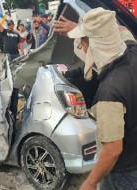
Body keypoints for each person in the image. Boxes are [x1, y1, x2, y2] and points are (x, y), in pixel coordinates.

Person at [54, 8, 137, 190]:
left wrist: (90, 182)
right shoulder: (132, 51)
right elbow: (123, 30)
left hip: (123, 174)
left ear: (93, 45)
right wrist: (85, 28)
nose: (82, 47)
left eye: (82, 42)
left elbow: (113, 150)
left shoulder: (109, 93)